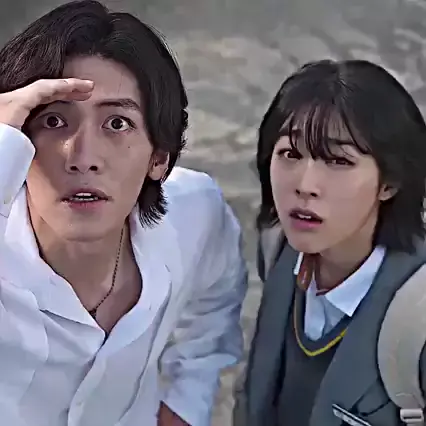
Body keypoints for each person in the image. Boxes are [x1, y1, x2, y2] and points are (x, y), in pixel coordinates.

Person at [0, 1, 247, 426]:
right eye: (54, 121)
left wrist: (184, 405)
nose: (83, 158)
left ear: (159, 157)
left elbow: (212, 313)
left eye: (117, 124)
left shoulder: (193, 213)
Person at [233, 59, 426, 426]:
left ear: (390, 182)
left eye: (338, 160)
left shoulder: (418, 320)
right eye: (290, 154)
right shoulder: (277, 246)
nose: (305, 185)